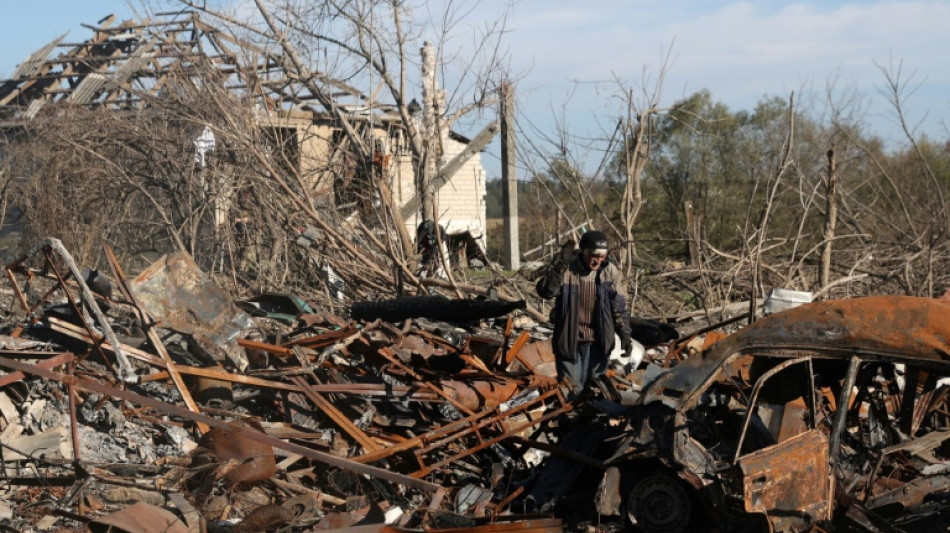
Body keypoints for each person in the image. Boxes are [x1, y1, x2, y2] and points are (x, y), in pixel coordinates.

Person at [536, 230, 633, 399]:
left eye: (602, 256)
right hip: (569, 341)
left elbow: (618, 306)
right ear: (583, 252)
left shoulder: (609, 271)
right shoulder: (567, 270)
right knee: (571, 391)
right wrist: (559, 266)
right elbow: (546, 291)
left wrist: (625, 334)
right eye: (594, 255)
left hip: (598, 342)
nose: (598, 260)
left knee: (596, 390)